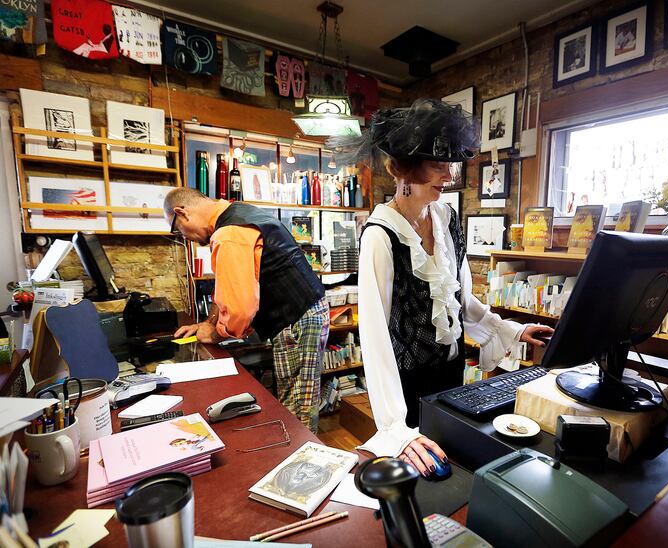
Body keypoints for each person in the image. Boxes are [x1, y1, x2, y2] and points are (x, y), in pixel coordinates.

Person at [330, 99, 553, 476]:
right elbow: (374, 338)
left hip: (451, 376)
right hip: (406, 387)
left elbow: (462, 301)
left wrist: (511, 330)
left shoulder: (447, 219)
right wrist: (395, 430)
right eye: (437, 164)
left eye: (450, 164)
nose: (449, 176)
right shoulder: (380, 236)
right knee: (420, 475)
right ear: (401, 167)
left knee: (455, 469)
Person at [164, 188, 329, 432]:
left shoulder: (229, 233)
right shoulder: (236, 213)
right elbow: (227, 287)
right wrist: (209, 322)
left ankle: (303, 467)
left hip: (296, 319)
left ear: (182, 212)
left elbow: (239, 312)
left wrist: (215, 333)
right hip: (304, 313)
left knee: (297, 410)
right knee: (297, 400)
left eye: (177, 230)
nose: (183, 236)